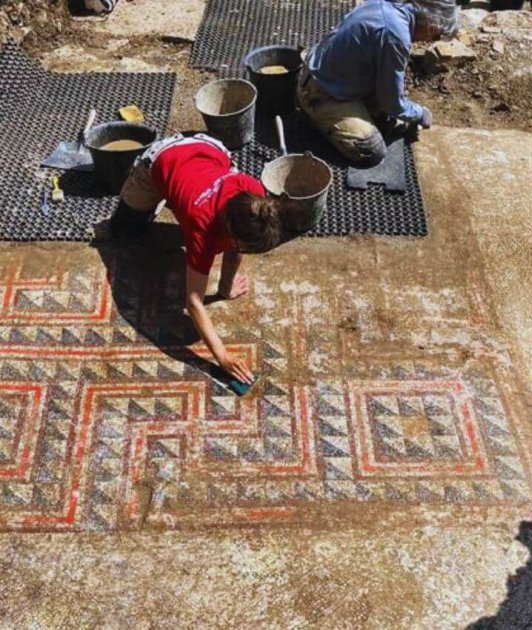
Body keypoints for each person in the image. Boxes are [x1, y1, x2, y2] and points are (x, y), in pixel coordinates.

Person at [109, 134, 298, 386]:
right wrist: (222, 356)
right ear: (227, 228)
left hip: (209, 149)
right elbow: (193, 302)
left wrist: (226, 288)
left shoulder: (254, 197)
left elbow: (236, 246)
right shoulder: (202, 229)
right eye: (240, 245)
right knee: (122, 231)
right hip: (162, 157)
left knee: (193, 207)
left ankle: (173, 193)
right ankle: (157, 192)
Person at [297, 0, 461, 166]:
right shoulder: (395, 37)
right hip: (319, 91)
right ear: (431, 25)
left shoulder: (386, 6)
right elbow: (392, 104)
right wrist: (419, 114)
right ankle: (314, 115)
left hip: (327, 72)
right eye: (436, 36)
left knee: (386, 118)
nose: (431, 40)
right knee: (371, 151)